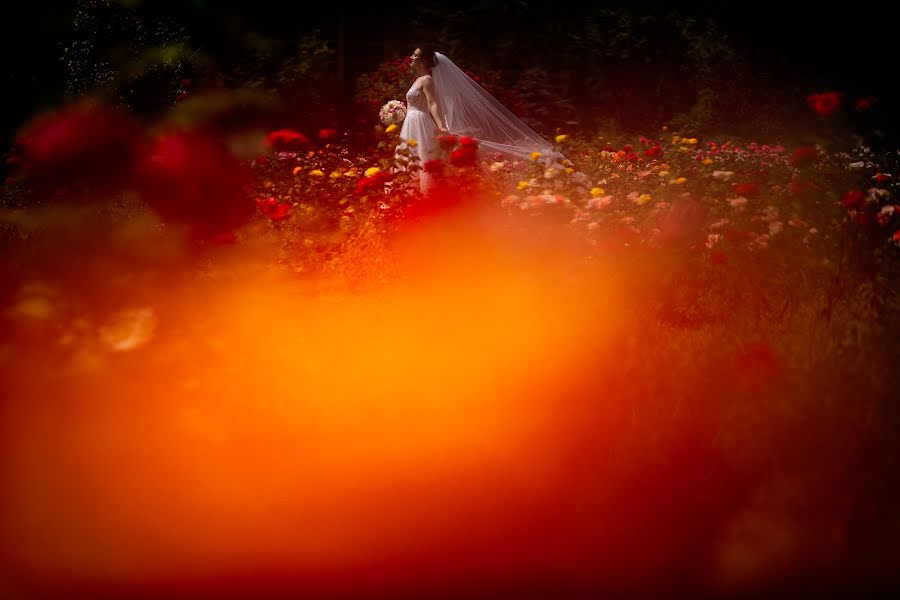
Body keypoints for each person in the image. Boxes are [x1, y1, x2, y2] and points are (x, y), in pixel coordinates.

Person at [396, 46, 565, 193]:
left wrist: (441, 126)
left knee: (421, 155)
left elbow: (433, 104)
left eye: (415, 55)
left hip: (420, 122)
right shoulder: (417, 80)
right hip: (410, 122)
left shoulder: (426, 80)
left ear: (424, 61)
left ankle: (424, 193)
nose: (411, 58)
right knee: (409, 155)